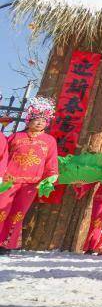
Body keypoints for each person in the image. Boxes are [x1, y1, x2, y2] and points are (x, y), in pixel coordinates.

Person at [0, 97, 59, 254]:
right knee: (1, 210)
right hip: (8, 181)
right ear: (28, 120)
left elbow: (51, 161)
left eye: (43, 120)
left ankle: (6, 245)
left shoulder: (49, 141)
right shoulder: (15, 137)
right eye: (36, 119)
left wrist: (50, 176)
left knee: (18, 214)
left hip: (30, 185)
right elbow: (3, 156)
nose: (39, 123)